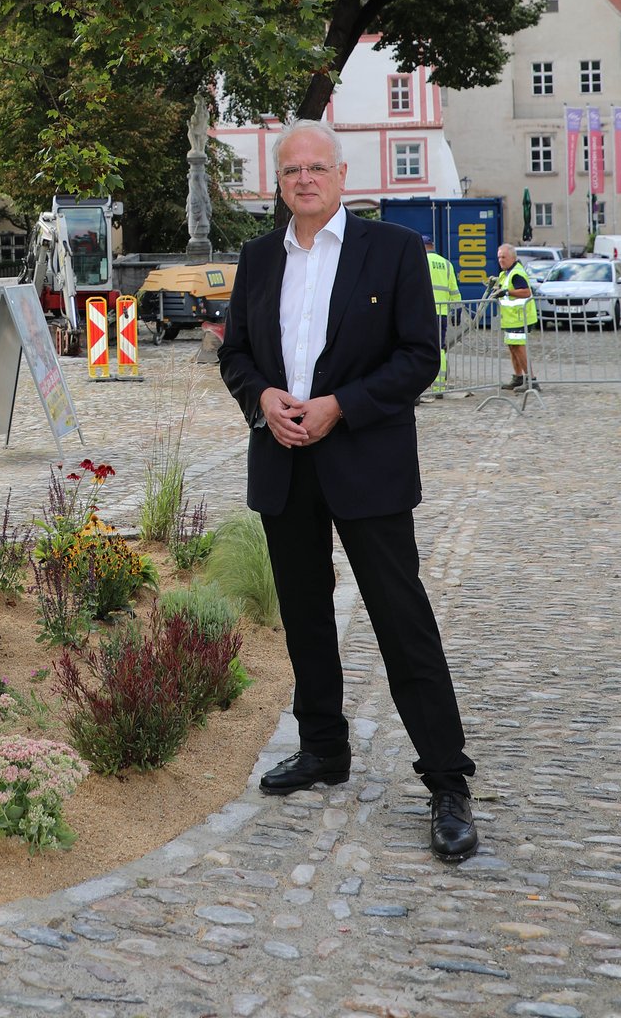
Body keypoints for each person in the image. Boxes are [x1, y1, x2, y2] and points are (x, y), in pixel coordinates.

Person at [218, 119, 478, 863]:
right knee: (304, 617)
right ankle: (324, 749)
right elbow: (235, 352)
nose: (305, 179)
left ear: (342, 177)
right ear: (279, 182)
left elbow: (419, 358)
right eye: (292, 169)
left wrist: (343, 406)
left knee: (403, 621)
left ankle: (448, 782)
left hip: (366, 461)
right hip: (284, 460)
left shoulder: (392, 251)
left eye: (318, 167)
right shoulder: (260, 257)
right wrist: (262, 397)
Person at [491, 243, 538, 391]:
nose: (501, 260)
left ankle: (531, 380)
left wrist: (506, 292)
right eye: (499, 257)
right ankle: (518, 378)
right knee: (512, 347)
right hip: (511, 318)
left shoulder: (516, 273)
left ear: (512, 257)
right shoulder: (505, 273)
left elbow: (526, 292)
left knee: (519, 348)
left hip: (520, 318)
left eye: (503, 257)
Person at [422, 237, 460, 399]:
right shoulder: (446, 264)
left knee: (420, 348)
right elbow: (454, 291)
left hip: (423, 312)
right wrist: (457, 311)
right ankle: (439, 388)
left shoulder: (420, 261)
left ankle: (421, 386)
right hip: (441, 313)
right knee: (440, 348)